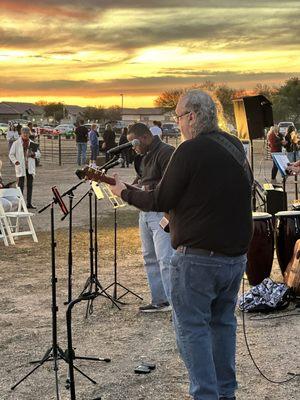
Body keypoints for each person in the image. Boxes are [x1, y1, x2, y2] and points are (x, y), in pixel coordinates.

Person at [109, 89, 253, 400]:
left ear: (191, 116)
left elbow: (160, 199)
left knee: (192, 329)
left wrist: (124, 191)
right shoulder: (234, 146)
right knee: (223, 325)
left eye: (178, 116)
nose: (177, 123)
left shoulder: (188, 151)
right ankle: (226, 393)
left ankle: (205, 394)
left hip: (199, 261)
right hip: (234, 260)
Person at [125, 122, 175, 312]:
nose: (134, 147)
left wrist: (145, 190)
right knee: (149, 257)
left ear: (145, 137)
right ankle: (159, 300)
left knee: (165, 258)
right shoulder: (144, 156)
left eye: (135, 142)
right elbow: (145, 181)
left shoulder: (166, 152)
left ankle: (174, 303)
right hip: (145, 212)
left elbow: (170, 184)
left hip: (160, 211)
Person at [9, 127, 40, 209]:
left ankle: (29, 203)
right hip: (20, 166)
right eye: (24, 133)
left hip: (29, 167)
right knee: (20, 185)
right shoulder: (16, 143)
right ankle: (21, 204)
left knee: (30, 185)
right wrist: (16, 162)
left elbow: (38, 154)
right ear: (21, 134)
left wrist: (34, 155)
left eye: (27, 133)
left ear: (29, 134)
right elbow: (11, 154)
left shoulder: (32, 143)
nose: (25, 135)